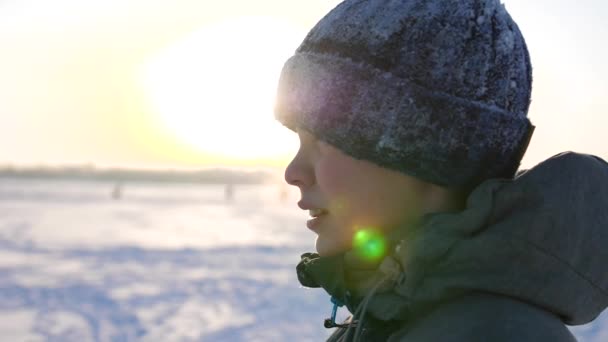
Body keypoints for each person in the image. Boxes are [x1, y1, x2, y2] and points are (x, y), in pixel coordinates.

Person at [273, 0, 608, 341]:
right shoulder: (384, 314)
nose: (293, 173)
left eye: (323, 142)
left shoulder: (494, 334)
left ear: (427, 153)